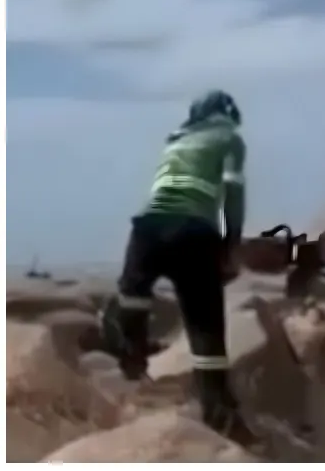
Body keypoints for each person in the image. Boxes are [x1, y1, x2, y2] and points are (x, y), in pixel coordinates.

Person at [104, 88, 248, 436]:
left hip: (146, 231)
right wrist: (231, 243)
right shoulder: (230, 139)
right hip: (192, 234)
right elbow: (233, 192)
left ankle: (130, 356)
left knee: (132, 296)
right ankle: (218, 412)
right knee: (205, 328)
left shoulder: (175, 140)